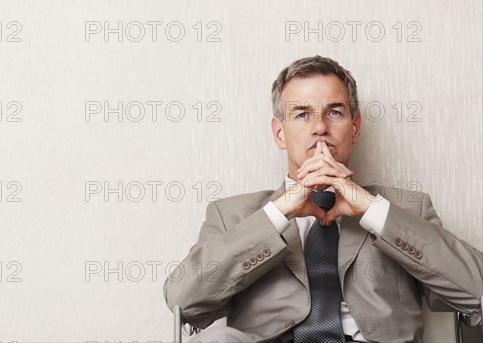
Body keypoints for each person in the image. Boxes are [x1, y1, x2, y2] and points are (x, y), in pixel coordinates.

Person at [163, 55, 483, 343]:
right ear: (279, 133)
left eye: (334, 112)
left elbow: (477, 292)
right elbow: (184, 302)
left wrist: (373, 210)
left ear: (354, 128)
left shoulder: (407, 208)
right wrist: (281, 211)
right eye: (302, 114)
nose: (319, 128)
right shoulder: (230, 214)